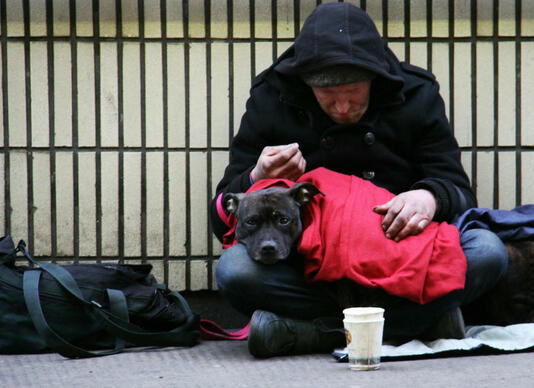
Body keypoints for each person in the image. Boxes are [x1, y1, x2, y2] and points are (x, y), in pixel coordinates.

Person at [209, 2, 508, 358]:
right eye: (328, 97)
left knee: (488, 251)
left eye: (354, 94)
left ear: (374, 79)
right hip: (310, 267)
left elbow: (457, 189)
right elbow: (223, 214)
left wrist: (428, 197)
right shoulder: (273, 96)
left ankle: (308, 333)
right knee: (234, 270)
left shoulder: (416, 92)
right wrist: (258, 175)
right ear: (306, 85)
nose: (343, 108)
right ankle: (418, 323)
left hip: (397, 255)